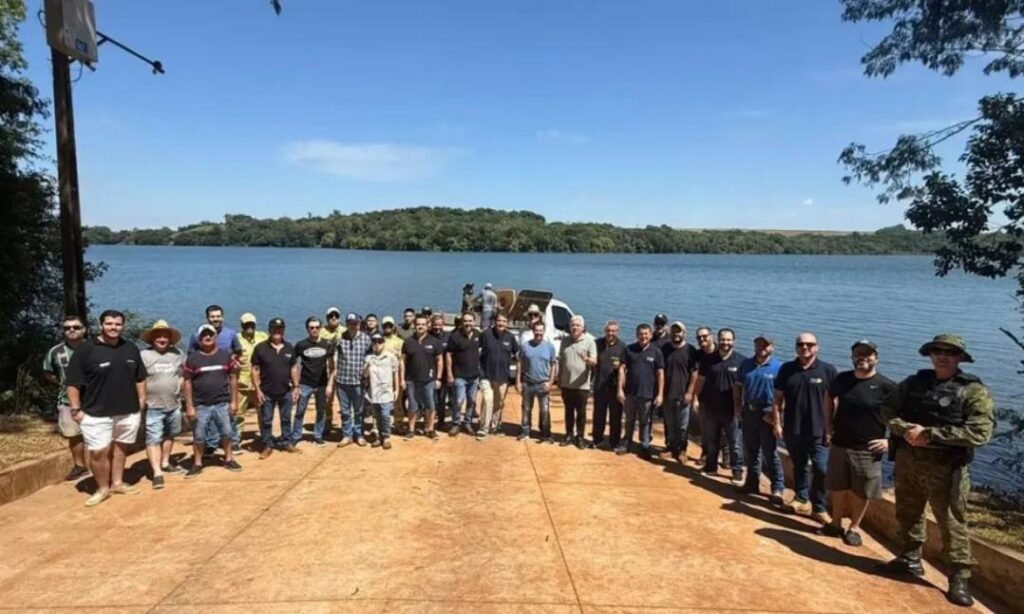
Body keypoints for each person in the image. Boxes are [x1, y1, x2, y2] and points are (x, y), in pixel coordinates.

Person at [878, 334, 995, 608]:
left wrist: (930, 434)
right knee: (908, 512)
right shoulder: (913, 383)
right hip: (909, 461)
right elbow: (886, 410)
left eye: (950, 352)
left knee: (952, 523)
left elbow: (980, 433)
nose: (942, 356)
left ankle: (958, 578)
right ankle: (909, 559)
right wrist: (904, 429)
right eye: (937, 351)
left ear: (959, 358)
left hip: (946, 468)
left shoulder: (974, 391)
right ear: (930, 354)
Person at [66, 310, 147, 507]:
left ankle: (117, 483)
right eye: (109, 324)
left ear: (123, 326)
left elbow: (140, 377)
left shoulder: (130, 348)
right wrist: (76, 409)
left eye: (118, 324)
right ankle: (103, 488)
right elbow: (73, 383)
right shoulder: (85, 350)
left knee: (121, 448)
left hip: (128, 411)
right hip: (95, 412)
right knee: (98, 452)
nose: (113, 327)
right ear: (101, 325)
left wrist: (142, 401)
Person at [821, 340, 897, 546]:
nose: (863, 357)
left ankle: (854, 528)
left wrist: (890, 441)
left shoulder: (887, 386)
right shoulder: (842, 379)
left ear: (876, 358)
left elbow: (902, 415)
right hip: (839, 443)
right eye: (858, 354)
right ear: (852, 357)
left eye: (868, 354)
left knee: (861, 491)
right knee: (838, 487)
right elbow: (829, 396)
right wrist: (828, 424)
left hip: (867, 449)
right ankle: (836, 523)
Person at [771, 332, 838, 524]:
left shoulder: (828, 370)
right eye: (801, 344)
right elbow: (777, 398)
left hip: (820, 430)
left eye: (810, 344)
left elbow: (835, 401)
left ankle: (819, 507)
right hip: (794, 428)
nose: (805, 347)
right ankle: (801, 498)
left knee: (821, 468)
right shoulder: (787, 369)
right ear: (796, 347)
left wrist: (831, 427)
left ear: (817, 347)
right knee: (799, 466)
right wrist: (777, 422)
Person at [182, 324, 243, 478]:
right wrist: (189, 406)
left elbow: (233, 379)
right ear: (199, 338)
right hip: (201, 404)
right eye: (204, 335)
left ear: (215, 337)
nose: (207, 338)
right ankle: (197, 463)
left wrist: (234, 401)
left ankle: (229, 458)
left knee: (227, 433)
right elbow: (187, 382)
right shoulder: (193, 358)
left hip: (222, 402)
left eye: (210, 335)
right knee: (199, 436)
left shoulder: (225, 355)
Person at [734, 335, 785, 503]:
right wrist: (737, 407)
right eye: (758, 344)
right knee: (751, 450)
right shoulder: (746, 365)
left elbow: (783, 396)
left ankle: (777, 488)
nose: (762, 348)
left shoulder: (779, 367)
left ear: (772, 347)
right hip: (749, 412)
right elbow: (738, 387)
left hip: (768, 414)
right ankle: (752, 483)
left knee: (770, 453)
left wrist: (774, 415)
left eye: (765, 345)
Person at [694, 328, 746, 482]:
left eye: (729, 340)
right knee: (711, 440)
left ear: (734, 341)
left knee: (735, 442)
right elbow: (701, 380)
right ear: (718, 340)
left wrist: (741, 408)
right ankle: (711, 466)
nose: (725, 343)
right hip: (711, 407)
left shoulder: (741, 361)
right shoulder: (709, 359)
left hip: (731, 410)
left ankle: (737, 471)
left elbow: (744, 387)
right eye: (723, 339)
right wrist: (695, 398)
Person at [42, 314, 90, 481]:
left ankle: (102, 466)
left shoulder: (94, 348)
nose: (71, 330)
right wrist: (65, 384)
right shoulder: (56, 351)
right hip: (67, 401)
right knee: (74, 435)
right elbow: (48, 372)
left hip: (95, 400)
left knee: (101, 434)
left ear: (84, 329)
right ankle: (80, 466)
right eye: (67, 327)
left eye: (76, 327)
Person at [140, 320, 186, 489]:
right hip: (153, 406)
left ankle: (166, 462)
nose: (162, 338)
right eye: (158, 335)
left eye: (165, 336)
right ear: (152, 338)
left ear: (170, 338)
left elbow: (183, 372)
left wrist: (179, 387)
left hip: (174, 404)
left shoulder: (177, 354)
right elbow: (138, 379)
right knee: (153, 438)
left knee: (170, 434)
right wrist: (141, 399)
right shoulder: (144, 355)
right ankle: (157, 472)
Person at [191, 306, 243, 455]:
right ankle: (211, 443)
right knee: (207, 413)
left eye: (218, 316)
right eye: (213, 316)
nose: (216, 319)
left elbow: (238, 351)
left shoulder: (231, 334)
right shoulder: (197, 335)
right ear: (207, 318)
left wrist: (234, 361)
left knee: (228, 411)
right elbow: (191, 355)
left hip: (225, 377)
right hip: (205, 377)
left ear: (223, 317)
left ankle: (233, 441)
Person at [252, 318, 300, 458]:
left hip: (286, 391)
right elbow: (255, 369)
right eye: (274, 329)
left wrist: (296, 386)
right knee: (266, 420)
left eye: (280, 329)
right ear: (269, 330)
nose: (277, 331)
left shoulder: (289, 347)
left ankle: (286, 442)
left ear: (284, 330)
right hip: (266, 392)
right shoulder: (260, 348)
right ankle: (267, 445)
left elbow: (293, 368)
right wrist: (257, 389)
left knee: (286, 419)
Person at [616, 323, 664, 459]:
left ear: (650, 335)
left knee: (645, 421)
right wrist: (620, 389)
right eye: (640, 334)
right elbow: (621, 369)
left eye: (646, 334)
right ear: (636, 335)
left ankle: (644, 446)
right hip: (630, 392)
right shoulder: (629, 349)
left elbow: (660, 373)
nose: (643, 336)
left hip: (648, 394)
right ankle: (627, 443)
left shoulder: (656, 351)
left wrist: (660, 394)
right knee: (629, 419)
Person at [293, 316, 335, 448]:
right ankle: (296, 436)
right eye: (312, 328)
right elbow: (294, 365)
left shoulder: (327, 344)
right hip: (305, 383)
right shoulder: (301, 345)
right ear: (307, 329)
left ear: (320, 328)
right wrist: (295, 385)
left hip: (322, 383)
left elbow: (332, 367)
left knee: (321, 411)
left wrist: (330, 385)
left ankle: (317, 436)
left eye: (317, 327)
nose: (314, 330)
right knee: (300, 411)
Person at [558, 315, 597, 448]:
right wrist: (559, 378)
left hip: (582, 386)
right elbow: (561, 361)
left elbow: (594, 361)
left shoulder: (590, 342)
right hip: (566, 384)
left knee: (581, 413)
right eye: (572, 325)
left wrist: (587, 359)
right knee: (568, 411)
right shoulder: (565, 341)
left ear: (583, 327)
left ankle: (580, 437)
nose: (575, 327)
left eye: (577, 325)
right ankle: (569, 435)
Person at [402, 315, 444, 439]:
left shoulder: (434, 342)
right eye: (418, 324)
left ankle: (430, 429)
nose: (420, 326)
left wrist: (439, 378)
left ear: (427, 326)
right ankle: (411, 429)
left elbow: (439, 360)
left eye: (423, 324)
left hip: (429, 380)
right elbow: (402, 362)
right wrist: (402, 379)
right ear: (414, 326)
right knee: (412, 406)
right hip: (411, 380)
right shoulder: (408, 341)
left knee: (430, 405)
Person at [478, 313, 519, 439]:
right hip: (486, 375)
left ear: (507, 323)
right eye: (499, 321)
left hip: (503, 377)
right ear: (495, 321)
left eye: (504, 321)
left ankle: (495, 426)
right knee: (487, 400)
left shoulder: (510, 337)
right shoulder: (485, 334)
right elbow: (475, 351)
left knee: (499, 403)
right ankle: (483, 428)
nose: (501, 323)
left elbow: (517, 354)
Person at [662, 321, 698, 462]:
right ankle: (671, 448)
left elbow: (694, 373)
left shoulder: (690, 350)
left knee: (683, 426)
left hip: (683, 395)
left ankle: (682, 450)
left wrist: (690, 392)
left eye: (679, 331)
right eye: (674, 331)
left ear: (684, 333)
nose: (676, 334)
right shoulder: (665, 348)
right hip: (667, 393)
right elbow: (661, 371)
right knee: (670, 424)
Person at [335, 313, 372, 447]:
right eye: (350, 323)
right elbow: (333, 356)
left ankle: (359, 434)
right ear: (347, 324)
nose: (353, 326)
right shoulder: (340, 338)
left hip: (358, 382)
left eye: (355, 323)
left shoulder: (366, 339)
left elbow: (370, 356)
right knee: (345, 411)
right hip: (342, 380)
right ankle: (347, 435)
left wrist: (366, 373)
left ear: (359, 324)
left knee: (358, 411)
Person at [517, 320, 558, 443]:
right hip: (528, 383)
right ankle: (525, 431)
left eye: (541, 330)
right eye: (536, 330)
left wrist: (551, 382)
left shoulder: (550, 347)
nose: (538, 333)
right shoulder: (525, 346)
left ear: (544, 331)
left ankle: (545, 434)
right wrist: (518, 381)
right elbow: (520, 363)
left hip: (543, 384)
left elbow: (553, 365)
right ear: (533, 331)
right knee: (526, 409)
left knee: (544, 410)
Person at [592, 320, 627, 450]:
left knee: (615, 417)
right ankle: (597, 439)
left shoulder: (623, 347)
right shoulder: (597, 344)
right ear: (604, 331)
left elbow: (625, 369)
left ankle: (614, 442)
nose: (610, 333)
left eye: (613, 331)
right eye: (608, 331)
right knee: (598, 415)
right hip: (599, 387)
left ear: (617, 332)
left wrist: (621, 388)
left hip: (615, 389)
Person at [235, 312, 267, 450]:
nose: (249, 327)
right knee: (237, 413)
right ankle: (236, 439)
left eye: (251, 324)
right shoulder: (236, 338)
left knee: (264, 412)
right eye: (246, 324)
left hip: (259, 383)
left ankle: (265, 437)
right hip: (241, 383)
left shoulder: (263, 336)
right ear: (242, 325)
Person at [446, 312, 481, 436]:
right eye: (465, 321)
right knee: (459, 401)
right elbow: (448, 355)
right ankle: (456, 423)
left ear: (474, 322)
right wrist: (450, 373)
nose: (468, 323)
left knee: (471, 401)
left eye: (470, 321)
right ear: (462, 322)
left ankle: (467, 422)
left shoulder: (477, 334)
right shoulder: (455, 336)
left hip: (474, 376)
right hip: (459, 375)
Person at [364, 332, 400, 449]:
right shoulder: (368, 358)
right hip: (374, 392)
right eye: (374, 342)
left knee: (385, 415)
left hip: (386, 391)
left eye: (379, 342)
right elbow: (364, 375)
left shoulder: (390, 357)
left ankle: (386, 437)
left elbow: (395, 374)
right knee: (377, 416)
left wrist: (397, 389)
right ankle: (379, 437)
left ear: (383, 343)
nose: (377, 344)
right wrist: (366, 366)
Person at [687, 326, 716, 467]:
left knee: (725, 431)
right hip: (703, 397)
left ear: (712, 336)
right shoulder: (698, 355)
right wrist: (695, 397)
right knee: (705, 429)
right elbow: (695, 375)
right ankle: (705, 454)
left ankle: (727, 457)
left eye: (704, 336)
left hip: (721, 398)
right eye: (699, 337)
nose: (702, 339)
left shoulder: (720, 353)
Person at [430, 314, 452, 431]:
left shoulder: (448, 337)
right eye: (435, 325)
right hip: (429, 373)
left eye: (439, 325)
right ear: (431, 325)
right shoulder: (427, 336)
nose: (437, 327)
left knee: (441, 399)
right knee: (431, 399)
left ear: (443, 324)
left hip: (444, 374)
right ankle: (430, 422)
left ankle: (441, 421)